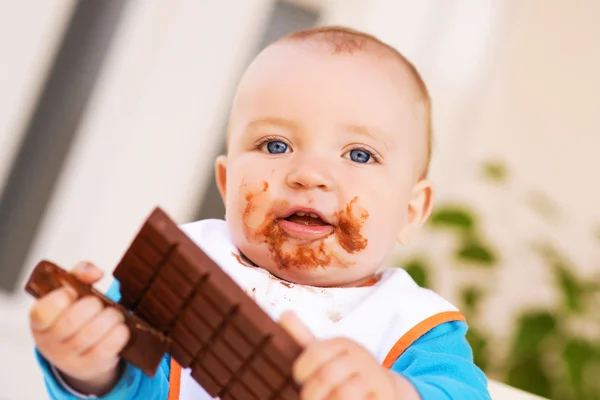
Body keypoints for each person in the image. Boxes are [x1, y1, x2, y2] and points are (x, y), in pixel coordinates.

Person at [29, 26, 491, 399]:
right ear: (228, 184)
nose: (310, 174)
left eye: (360, 154)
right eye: (276, 145)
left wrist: (395, 393)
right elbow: (132, 387)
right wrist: (87, 366)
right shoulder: (180, 271)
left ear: (411, 212)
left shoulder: (411, 326)